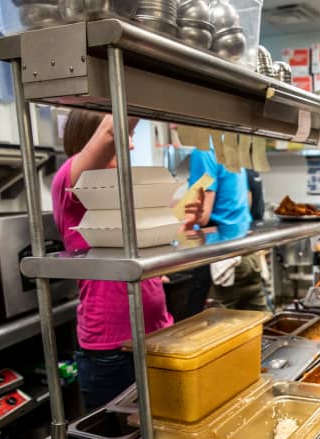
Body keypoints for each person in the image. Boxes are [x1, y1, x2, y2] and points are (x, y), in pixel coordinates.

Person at [52, 111, 189, 410]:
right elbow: (112, 131)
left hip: (156, 334)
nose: (130, 146)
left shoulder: (121, 188)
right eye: (123, 139)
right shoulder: (71, 181)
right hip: (111, 348)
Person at [185, 147, 268, 312]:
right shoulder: (226, 144)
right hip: (247, 254)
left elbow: (201, 216)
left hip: (224, 260)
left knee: (217, 332)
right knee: (259, 327)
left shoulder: (203, 150)